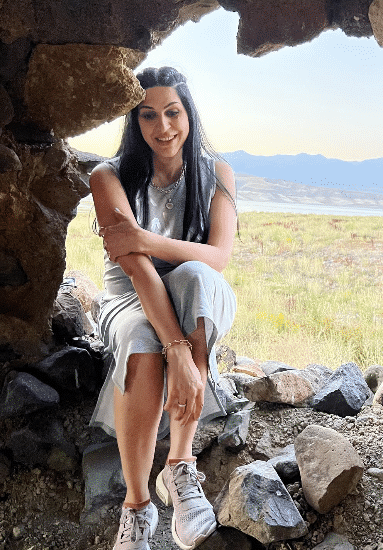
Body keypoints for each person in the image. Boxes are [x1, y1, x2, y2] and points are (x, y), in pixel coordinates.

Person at [88, 66, 238, 550]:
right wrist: (175, 346)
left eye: (172, 112)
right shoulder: (108, 177)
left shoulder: (217, 174)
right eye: (148, 115)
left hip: (196, 295)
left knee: (196, 276)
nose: (163, 127)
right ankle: (136, 508)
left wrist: (146, 238)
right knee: (139, 337)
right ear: (135, 122)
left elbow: (217, 259)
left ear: (188, 114)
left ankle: (180, 466)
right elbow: (138, 269)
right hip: (129, 296)